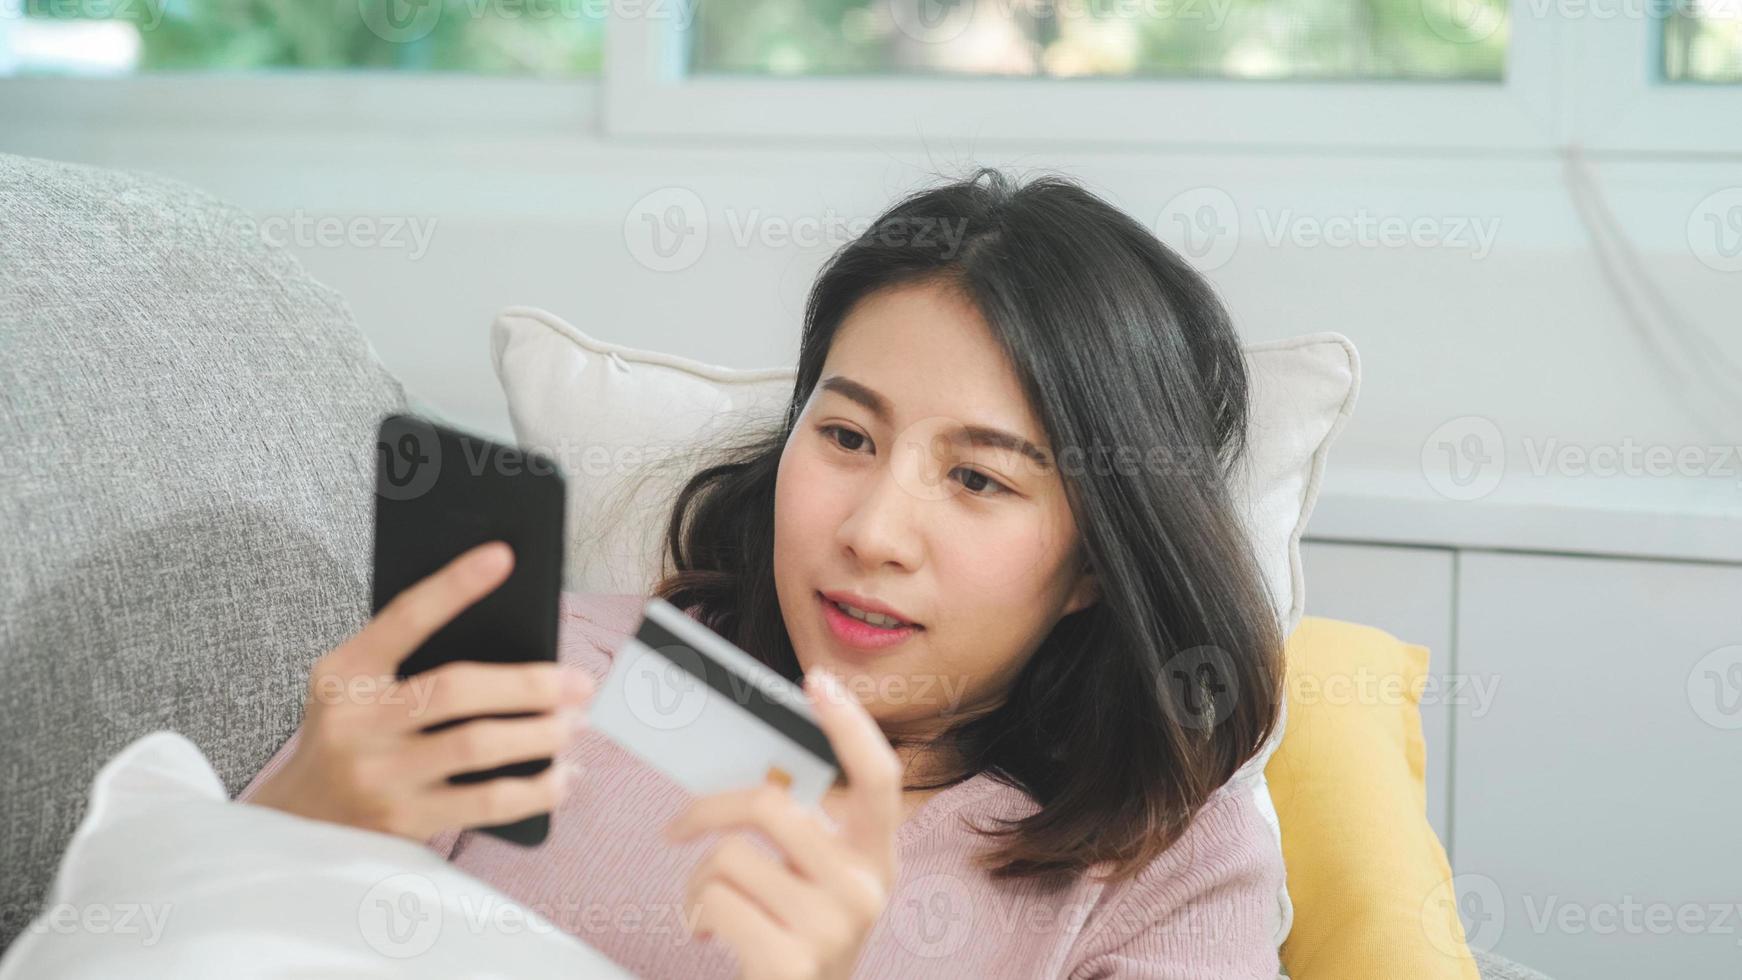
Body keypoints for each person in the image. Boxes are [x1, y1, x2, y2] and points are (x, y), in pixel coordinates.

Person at [242, 168, 1287, 978]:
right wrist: (290, 819)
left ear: (1095, 561)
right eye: (843, 435)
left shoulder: (1170, 861)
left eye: (975, 477)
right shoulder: (547, 666)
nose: (873, 530)